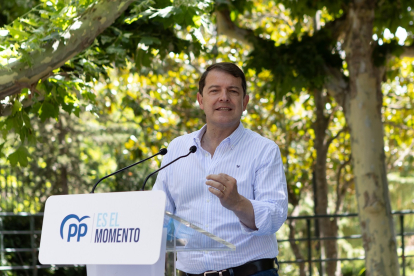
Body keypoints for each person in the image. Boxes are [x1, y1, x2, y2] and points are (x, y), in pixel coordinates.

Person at [153, 62, 288, 276]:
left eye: (232, 91)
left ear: (244, 102)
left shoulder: (264, 150)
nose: (223, 97)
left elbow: (275, 217)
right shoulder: (176, 149)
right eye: (214, 90)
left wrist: (237, 203)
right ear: (201, 100)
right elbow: (159, 215)